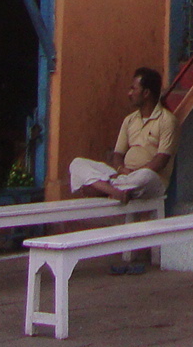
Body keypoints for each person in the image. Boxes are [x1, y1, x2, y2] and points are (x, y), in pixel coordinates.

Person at [68, 68, 176, 276]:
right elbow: (118, 153)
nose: (129, 93)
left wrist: (131, 175)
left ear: (146, 93)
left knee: (144, 176)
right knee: (76, 163)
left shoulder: (167, 120)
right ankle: (114, 189)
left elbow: (161, 161)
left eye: (133, 88)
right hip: (123, 178)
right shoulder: (129, 120)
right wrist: (120, 170)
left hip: (151, 181)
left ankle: (102, 188)